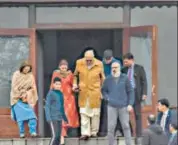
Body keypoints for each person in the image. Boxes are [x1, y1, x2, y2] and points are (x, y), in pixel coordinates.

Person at [73, 49, 105, 140]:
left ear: (93, 58)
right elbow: (75, 75)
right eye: (87, 60)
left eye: (90, 60)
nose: (88, 61)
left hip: (95, 92)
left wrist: (102, 90)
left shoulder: (99, 64)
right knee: (83, 112)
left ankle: (94, 132)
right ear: (84, 58)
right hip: (83, 92)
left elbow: (103, 78)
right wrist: (75, 84)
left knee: (95, 114)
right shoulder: (79, 63)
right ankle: (85, 133)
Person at [102, 61, 134, 145]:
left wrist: (130, 104)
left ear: (119, 68)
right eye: (112, 68)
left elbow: (130, 91)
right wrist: (107, 98)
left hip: (123, 106)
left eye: (116, 67)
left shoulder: (125, 78)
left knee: (126, 126)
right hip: (111, 106)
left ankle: (129, 144)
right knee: (111, 127)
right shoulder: (108, 79)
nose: (114, 69)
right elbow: (103, 90)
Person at [50, 59, 79, 144]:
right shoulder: (56, 73)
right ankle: (61, 136)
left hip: (69, 98)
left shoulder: (70, 74)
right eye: (62, 68)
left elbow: (73, 83)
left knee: (68, 117)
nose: (63, 69)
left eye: (65, 68)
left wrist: (75, 87)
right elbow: (52, 84)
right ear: (59, 67)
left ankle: (63, 133)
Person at [122, 52, 147, 144]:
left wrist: (144, 93)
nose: (125, 64)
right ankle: (130, 132)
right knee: (125, 115)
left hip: (137, 93)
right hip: (126, 94)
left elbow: (144, 81)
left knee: (137, 115)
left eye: (126, 62)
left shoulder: (139, 68)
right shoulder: (123, 70)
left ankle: (139, 135)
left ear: (132, 60)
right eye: (124, 62)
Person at [10, 61, 38, 138]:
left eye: (28, 69)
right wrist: (20, 93)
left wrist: (27, 93)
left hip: (27, 99)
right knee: (20, 118)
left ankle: (33, 131)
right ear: (22, 68)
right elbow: (14, 86)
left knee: (32, 116)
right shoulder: (16, 74)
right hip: (17, 99)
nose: (26, 70)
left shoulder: (31, 76)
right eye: (25, 69)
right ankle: (21, 133)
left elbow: (33, 87)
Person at [99, 49, 123, 137]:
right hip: (106, 90)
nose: (107, 61)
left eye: (109, 59)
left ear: (112, 57)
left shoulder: (117, 63)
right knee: (106, 112)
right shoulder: (101, 63)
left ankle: (118, 130)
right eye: (106, 59)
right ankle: (106, 132)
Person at [45, 77, 68, 145]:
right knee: (55, 136)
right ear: (53, 84)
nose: (58, 86)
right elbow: (47, 106)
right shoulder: (51, 93)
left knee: (58, 137)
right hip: (52, 118)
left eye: (59, 84)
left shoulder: (61, 94)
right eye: (56, 84)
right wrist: (48, 118)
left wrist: (64, 117)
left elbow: (62, 106)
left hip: (59, 118)